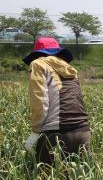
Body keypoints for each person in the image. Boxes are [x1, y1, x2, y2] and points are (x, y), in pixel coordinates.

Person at [22, 37, 91, 165]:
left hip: (56, 135)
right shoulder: (70, 69)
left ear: (37, 54)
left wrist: (35, 132)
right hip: (83, 132)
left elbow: (40, 101)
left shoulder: (38, 64)